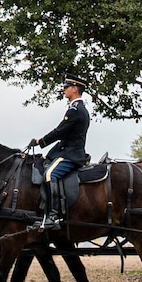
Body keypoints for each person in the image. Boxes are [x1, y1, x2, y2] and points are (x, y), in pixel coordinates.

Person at [30, 76, 89, 230]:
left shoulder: (75, 110)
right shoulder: (75, 108)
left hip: (71, 154)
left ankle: (53, 215)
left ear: (75, 89)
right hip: (66, 151)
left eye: (66, 86)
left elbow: (60, 131)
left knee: (50, 175)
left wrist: (40, 141)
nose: (64, 89)